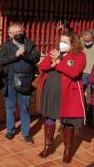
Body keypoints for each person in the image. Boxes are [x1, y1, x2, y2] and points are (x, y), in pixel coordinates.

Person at [38, 32, 86, 163]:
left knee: (68, 122)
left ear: (73, 43)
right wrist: (52, 62)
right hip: (51, 91)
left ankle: (67, 151)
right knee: (49, 119)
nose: (61, 44)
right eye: (61, 41)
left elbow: (74, 72)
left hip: (68, 94)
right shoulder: (54, 52)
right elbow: (42, 66)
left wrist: (59, 62)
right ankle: (48, 147)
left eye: (65, 42)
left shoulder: (80, 56)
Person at [0, 23, 40, 143]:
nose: (18, 34)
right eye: (15, 33)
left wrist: (24, 54)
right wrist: (15, 55)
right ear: (10, 35)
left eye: (20, 31)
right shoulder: (6, 46)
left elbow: (36, 59)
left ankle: (26, 132)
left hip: (25, 81)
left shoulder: (29, 44)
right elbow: (1, 60)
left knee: (25, 108)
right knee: (10, 108)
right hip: (10, 81)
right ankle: (10, 130)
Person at [81, 30, 94, 126]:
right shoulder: (81, 42)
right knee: (81, 95)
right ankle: (83, 116)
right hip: (83, 72)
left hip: (93, 73)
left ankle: (90, 119)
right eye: (85, 41)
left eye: (88, 41)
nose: (86, 43)